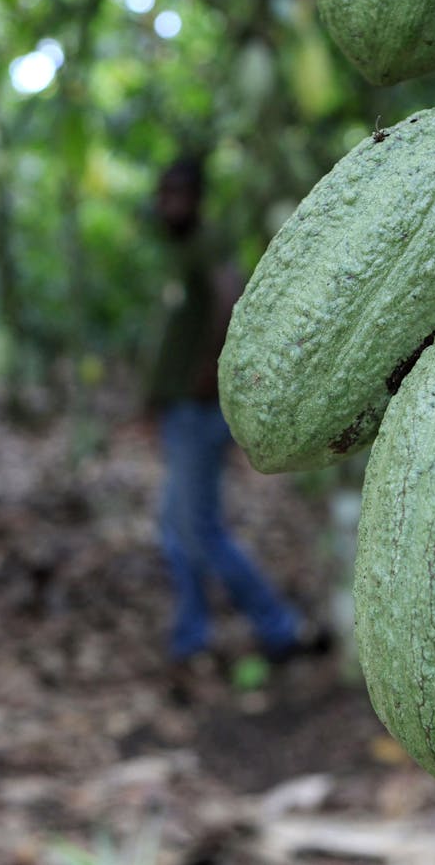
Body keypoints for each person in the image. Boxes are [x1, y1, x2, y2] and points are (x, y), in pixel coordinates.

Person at [147, 157, 321, 667]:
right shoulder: (177, 251)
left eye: (177, 194)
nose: (167, 204)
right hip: (180, 411)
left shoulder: (205, 244)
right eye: (163, 194)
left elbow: (229, 297)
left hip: (198, 414)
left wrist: (210, 366)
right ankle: (191, 636)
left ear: (197, 199)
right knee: (176, 529)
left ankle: (278, 626)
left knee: (198, 530)